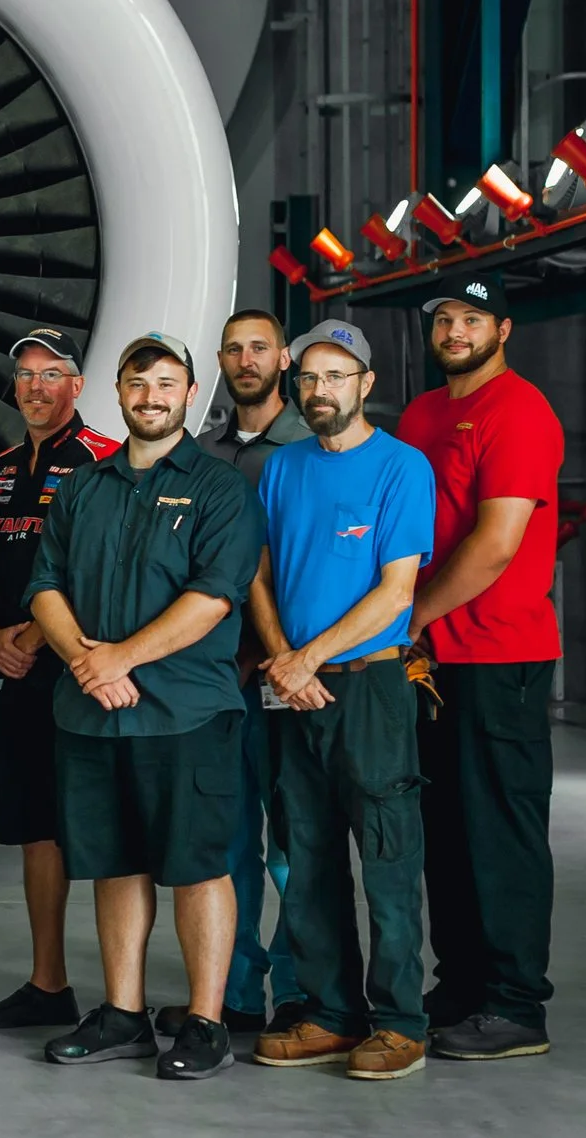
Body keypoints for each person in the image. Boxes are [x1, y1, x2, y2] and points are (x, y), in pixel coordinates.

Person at [25, 334, 264, 1081]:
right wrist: (86, 663)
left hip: (186, 712)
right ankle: (123, 1015)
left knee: (198, 866)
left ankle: (206, 1022)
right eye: (138, 382)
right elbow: (45, 584)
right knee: (114, 861)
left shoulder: (221, 489)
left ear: (190, 393)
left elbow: (214, 597)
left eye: (166, 383)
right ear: (118, 391)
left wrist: (119, 657)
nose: (151, 396)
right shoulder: (81, 487)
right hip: (93, 712)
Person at [247, 318, 437, 1082]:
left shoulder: (402, 467)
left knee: (387, 858)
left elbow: (396, 591)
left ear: (366, 383)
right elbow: (258, 576)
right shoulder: (281, 467)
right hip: (293, 691)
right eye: (309, 377)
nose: (320, 389)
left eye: (336, 375)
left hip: (368, 688)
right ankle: (330, 1013)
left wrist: (306, 658)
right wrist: (282, 662)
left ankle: (400, 1022)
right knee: (307, 854)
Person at [396, 274, 564, 1061]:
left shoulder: (519, 411)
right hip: (433, 661)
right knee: (447, 828)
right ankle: (461, 984)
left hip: (501, 652)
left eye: (472, 318)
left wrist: (413, 614)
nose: (455, 331)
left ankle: (515, 1002)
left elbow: (496, 544)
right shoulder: (423, 414)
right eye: (444, 319)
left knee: (501, 828)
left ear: (503, 329)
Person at [0, 327, 118, 1032]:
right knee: (37, 829)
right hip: (17, 677)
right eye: (25, 374)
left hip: (81, 674)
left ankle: (124, 997)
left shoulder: (103, 460)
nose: (35, 387)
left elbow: (99, 570)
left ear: (77, 385)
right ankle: (48, 983)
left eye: (51, 373)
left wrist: (28, 637)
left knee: (106, 828)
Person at [192, 308, 314, 1039]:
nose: (246, 359)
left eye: (259, 347)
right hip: (217, 684)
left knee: (295, 847)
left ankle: (299, 990)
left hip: (286, 675)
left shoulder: (310, 445)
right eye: (234, 348)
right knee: (229, 843)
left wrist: (286, 655)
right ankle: (236, 991)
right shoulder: (203, 454)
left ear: (283, 360)